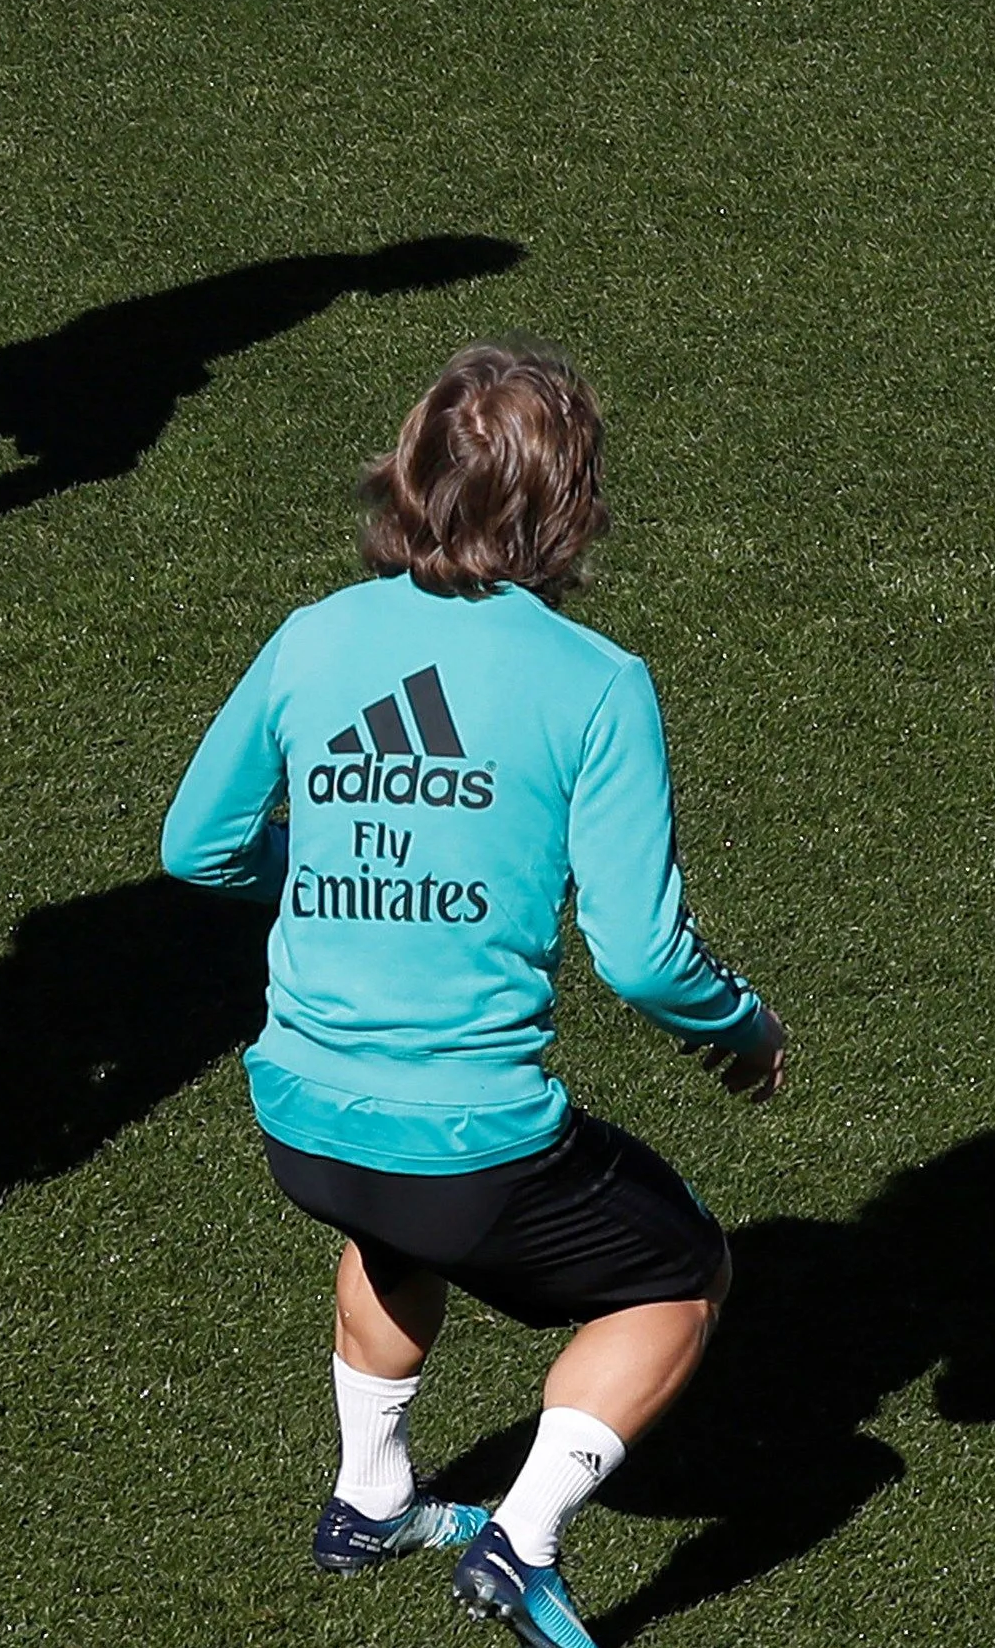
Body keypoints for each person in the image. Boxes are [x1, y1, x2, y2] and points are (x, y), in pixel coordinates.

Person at [161, 346, 787, 1648]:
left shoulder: (313, 634)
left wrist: (320, 857)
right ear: (566, 508)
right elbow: (643, 954)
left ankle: (370, 1496)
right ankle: (525, 1539)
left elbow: (196, 846)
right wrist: (744, 1025)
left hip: (299, 1121)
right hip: (473, 1145)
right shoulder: (597, 680)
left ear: (412, 472)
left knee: (397, 1225)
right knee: (680, 1272)